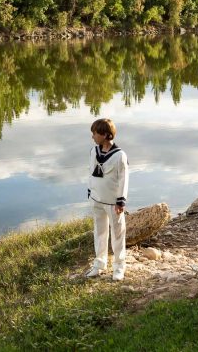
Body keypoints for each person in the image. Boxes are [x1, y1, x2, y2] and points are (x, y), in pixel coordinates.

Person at [86, 118, 129, 281]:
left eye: (95, 133)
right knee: (99, 232)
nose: (92, 137)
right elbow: (90, 172)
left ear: (105, 135)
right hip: (97, 199)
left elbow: (123, 179)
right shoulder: (93, 151)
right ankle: (99, 264)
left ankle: (119, 267)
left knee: (118, 234)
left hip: (113, 203)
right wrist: (90, 191)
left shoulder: (119, 155)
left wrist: (121, 200)